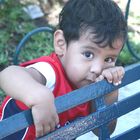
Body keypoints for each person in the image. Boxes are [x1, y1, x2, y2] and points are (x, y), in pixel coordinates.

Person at [0, 0, 127, 139]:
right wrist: (39, 96)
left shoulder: (90, 83)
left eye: (108, 59)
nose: (97, 69)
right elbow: (8, 74)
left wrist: (108, 90)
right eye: (88, 54)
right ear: (61, 44)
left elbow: (103, 129)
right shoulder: (50, 72)